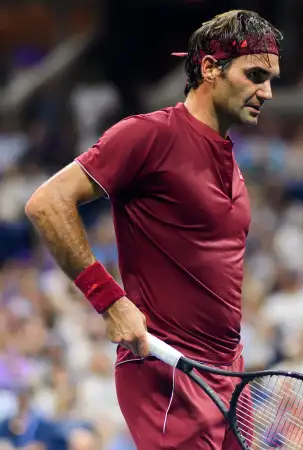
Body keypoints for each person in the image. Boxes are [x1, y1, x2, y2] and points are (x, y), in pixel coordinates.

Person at [24, 10, 282, 449]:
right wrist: (110, 302)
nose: (268, 91)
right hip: (167, 375)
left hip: (227, 376)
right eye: (255, 75)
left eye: (271, 78)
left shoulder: (232, 164)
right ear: (209, 68)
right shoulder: (150, 135)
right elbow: (47, 203)